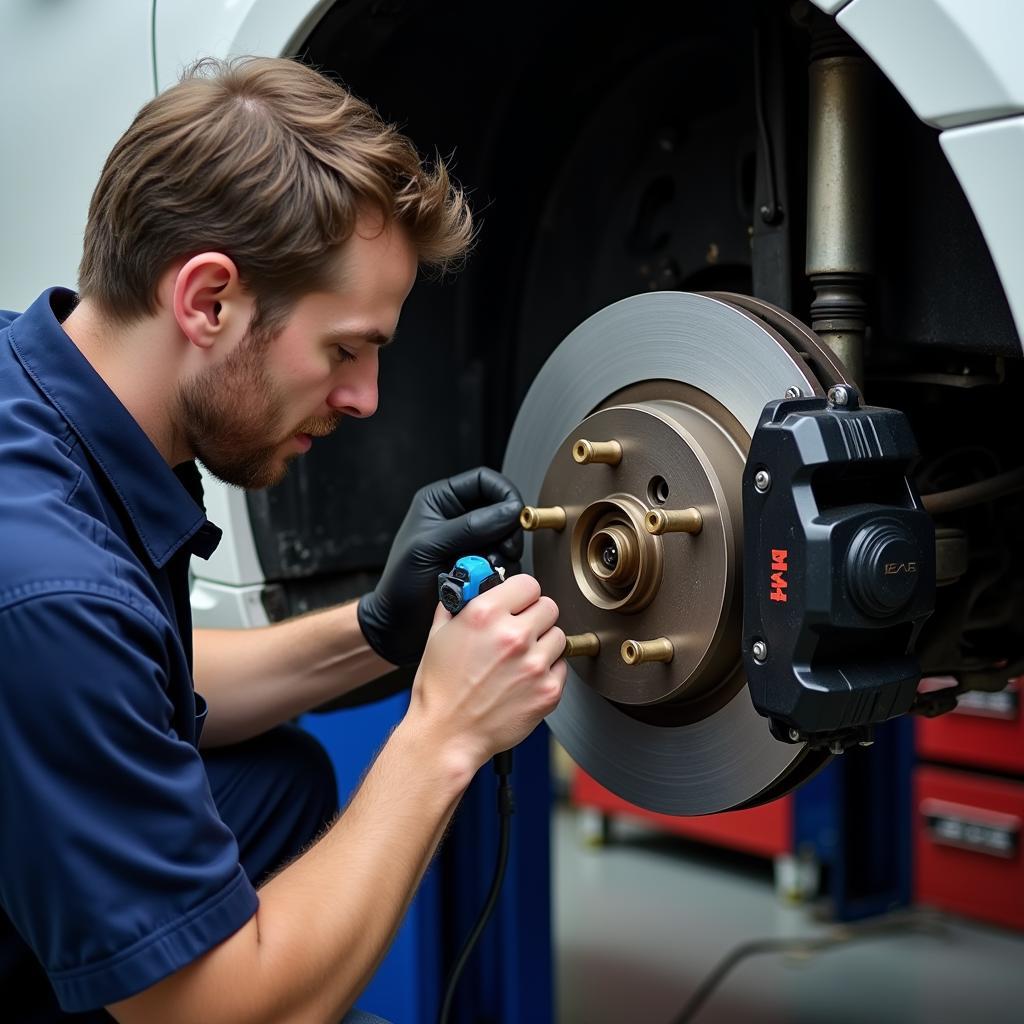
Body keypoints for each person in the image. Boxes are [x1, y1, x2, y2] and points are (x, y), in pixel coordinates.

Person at [0, 56, 566, 1023]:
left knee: (273, 782)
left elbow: (144, 681)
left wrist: (381, 631)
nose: (364, 398)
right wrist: (442, 734)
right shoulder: (49, 587)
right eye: (345, 349)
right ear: (208, 300)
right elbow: (206, 1012)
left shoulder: (39, 385)